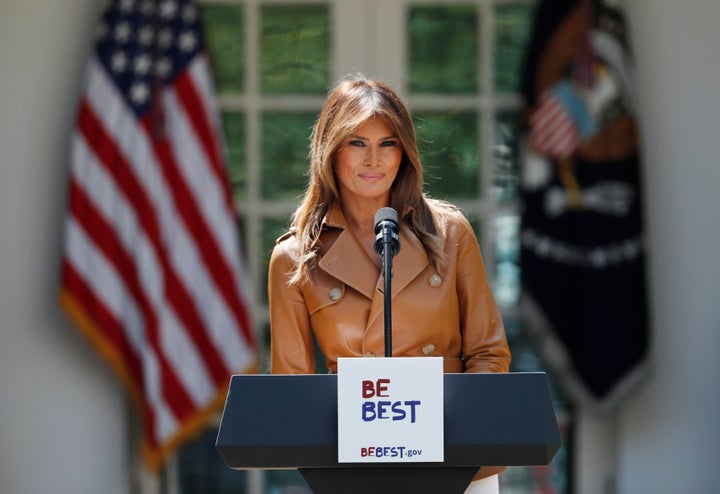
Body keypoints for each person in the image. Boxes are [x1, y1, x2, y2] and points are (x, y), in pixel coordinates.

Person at [268, 73, 511, 494]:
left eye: (388, 144)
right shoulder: (294, 256)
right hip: (354, 463)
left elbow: (489, 354)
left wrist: (458, 439)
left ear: (405, 153)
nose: (373, 160)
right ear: (330, 150)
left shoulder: (450, 232)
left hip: (459, 462)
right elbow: (293, 393)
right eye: (356, 143)